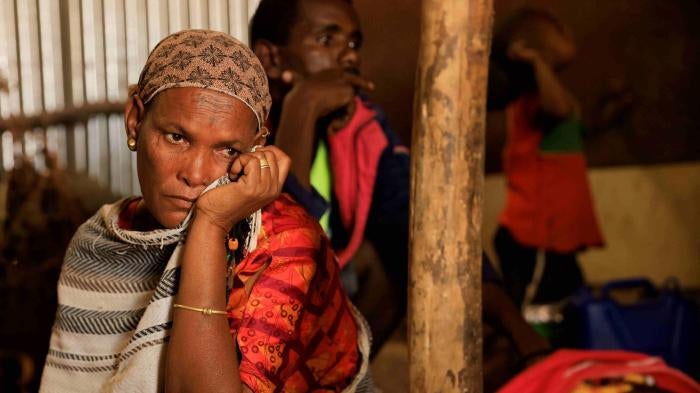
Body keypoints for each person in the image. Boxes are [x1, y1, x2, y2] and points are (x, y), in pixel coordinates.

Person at [40, 30, 372, 392]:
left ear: (256, 148)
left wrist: (211, 225)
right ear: (135, 120)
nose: (195, 175)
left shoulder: (285, 245)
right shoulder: (103, 238)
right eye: (176, 137)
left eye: (228, 150)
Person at [249, 0, 552, 371]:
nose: (347, 56)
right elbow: (271, 248)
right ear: (271, 57)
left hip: (320, 302)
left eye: (354, 43)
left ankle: (342, 377)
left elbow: (422, 221)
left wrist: (515, 328)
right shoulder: (242, 124)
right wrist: (302, 108)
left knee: (395, 256)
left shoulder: (361, 126)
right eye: (327, 39)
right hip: (252, 314)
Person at [491, 8, 604, 308]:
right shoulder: (531, 101)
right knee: (526, 317)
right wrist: (537, 62)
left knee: (572, 307)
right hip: (533, 239)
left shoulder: (551, 93)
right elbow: (559, 111)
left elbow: (574, 125)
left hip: (554, 241)